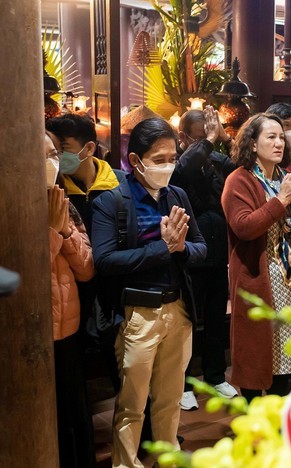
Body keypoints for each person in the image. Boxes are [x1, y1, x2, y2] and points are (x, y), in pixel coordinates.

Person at [91, 118, 207, 468]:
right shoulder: (112, 201)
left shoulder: (177, 195)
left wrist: (181, 248)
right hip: (137, 315)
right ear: (136, 160)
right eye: (159, 159)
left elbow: (202, 249)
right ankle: (126, 463)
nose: (168, 165)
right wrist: (164, 248)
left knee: (170, 399)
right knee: (131, 405)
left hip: (178, 311)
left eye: (172, 156)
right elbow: (105, 260)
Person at [222, 113, 291, 400]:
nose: (279, 143)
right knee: (256, 359)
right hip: (258, 282)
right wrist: (280, 201)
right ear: (252, 144)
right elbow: (244, 227)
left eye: (281, 137)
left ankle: (278, 424)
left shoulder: (284, 177)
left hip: (290, 283)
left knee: (287, 362)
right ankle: (255, 427)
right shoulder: (238, 180)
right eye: (271, 137)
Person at [46, 113, 124, 389]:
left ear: (89, 148)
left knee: (122, 366)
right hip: (75, 292)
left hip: (113, 289)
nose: (57, 159)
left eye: (62, 150)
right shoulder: (54, 193)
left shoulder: (119, 183)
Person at [172, 107, 239, 410]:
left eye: (208, 137)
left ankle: (214, 375)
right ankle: (182, 382)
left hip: (218, 252)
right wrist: (209, 142)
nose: (206, 144)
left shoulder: (216, 160)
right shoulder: (178, 162)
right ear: (184, 137)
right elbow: (187, 167)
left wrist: (225, 138)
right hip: (189, 254)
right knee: (188, 321)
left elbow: (240, 167)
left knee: (215, 318)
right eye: (201, 138)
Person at [46, 131, 96, 468]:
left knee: (76, 415)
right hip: (35, 335)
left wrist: (64, 231)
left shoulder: (65, 203)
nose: (50, 162)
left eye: (53, 153)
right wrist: (51, 230)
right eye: (42, 155)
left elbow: (87, 269)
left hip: (70, 331)